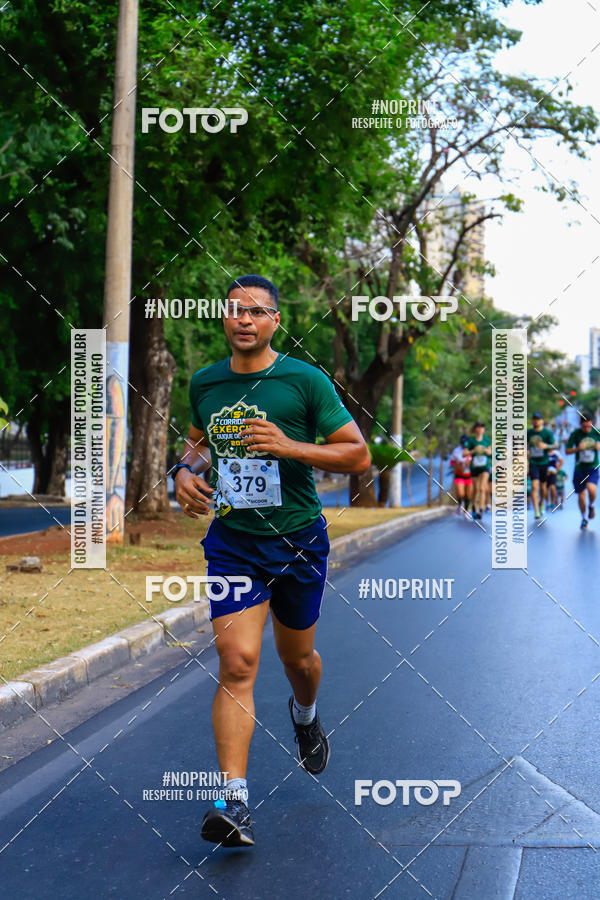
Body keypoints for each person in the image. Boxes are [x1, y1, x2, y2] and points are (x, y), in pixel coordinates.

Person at [171, 274, 370, 848]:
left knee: (299, 659)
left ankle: (304, 716)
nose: (244, 320)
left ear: (274, 321)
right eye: (234, 311)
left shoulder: (304, 381)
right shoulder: (205, 382)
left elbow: (356, 454)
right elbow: (196, 444)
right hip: (233, 542)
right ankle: (233, 802)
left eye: (256, 312)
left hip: (298, 541)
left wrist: (288, 446)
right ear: (224, 318)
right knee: (236, 661)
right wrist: (182, 473)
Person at [565, 411, 600, 529]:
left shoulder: (596, 432)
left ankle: (591, 505)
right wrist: (578, 449)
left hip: (593, 468)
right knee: (581, 496)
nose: (586, 429)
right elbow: (567, 451)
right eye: (584, 426)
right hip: (579, 469)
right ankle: (584, 518)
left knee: (591, 489)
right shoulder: (575, 434)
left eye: (589, 426)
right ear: (580, 424)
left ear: (592, 424)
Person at [527, 413, 557, 520]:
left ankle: (541, 504)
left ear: (542, 421)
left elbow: (556, 445)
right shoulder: (528, 433)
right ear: (532, 421)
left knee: (543, 488)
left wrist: (546, 446)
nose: (536, 421)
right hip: (533, 463)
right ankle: (536, 511)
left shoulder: (547, 433)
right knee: (534, 487)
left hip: (544, 463)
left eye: (538, 419)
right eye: (534, 419)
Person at [465, 422, 491, 520]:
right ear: (475, 429)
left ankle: (480, 509)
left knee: (482, 488)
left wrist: (485, 450)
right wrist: (474, 450)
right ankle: (474, 508)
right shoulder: (470, 440)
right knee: (475, 489)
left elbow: (490, 452)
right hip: (475, 467)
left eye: (482, 427)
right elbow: (465, 454)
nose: (480, 429)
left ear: (483, 430)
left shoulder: (486, 440)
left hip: (485, 466)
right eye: (478, 427)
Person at [450, 434, 472, 515]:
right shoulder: (456, 451)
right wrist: (458, 466)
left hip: (469, 475)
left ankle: (466, 510)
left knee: (468, 495)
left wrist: (469, 463)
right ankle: (459, 505)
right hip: (459, 474)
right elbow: (452, 463)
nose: (463, 445)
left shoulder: (471, 451)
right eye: (462, 443)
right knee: (460, 493)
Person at [546, 447, 564, 511]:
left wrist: (557, 470)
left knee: (552, 487)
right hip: (545, 472)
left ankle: (552, 503)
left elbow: (562, 461)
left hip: (553, 473)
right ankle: (547, 503)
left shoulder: (556, 453)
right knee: (545, 488)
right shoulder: (544, 452)